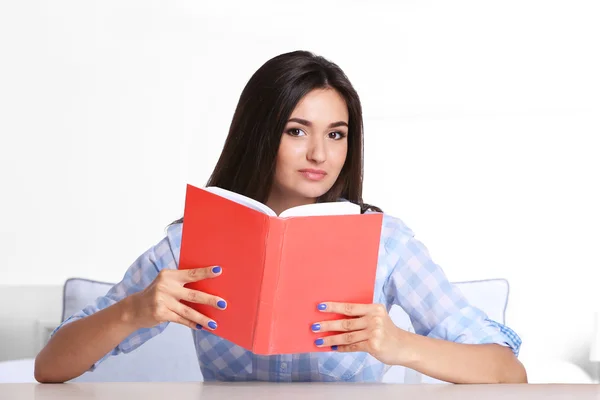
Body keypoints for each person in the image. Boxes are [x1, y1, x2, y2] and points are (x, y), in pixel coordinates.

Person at [34, 50, 527, 384]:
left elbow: (507, 372)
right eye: (296, 131)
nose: (319, 153)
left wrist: (398, 345)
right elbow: (50, 366)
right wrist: (134, 310)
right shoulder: (194, 240)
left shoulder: (385, 244)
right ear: (260, 134)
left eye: (336, 134)